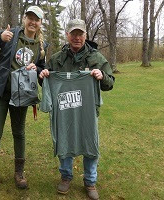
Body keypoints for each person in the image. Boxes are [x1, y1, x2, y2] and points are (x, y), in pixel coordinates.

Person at [39, 19, 115, 200]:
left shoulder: (96, 58)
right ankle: (66, 176)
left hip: (87, 112)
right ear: (67, 35)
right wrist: (43, 76)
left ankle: (90, 181)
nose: (77, 37)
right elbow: (47, 83)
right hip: (64, 112)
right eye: (73, 34)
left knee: (90, 142)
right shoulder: (57, 59)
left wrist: (101, 75)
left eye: (80, 34)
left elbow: (110, 83)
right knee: (64, 139)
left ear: (85, 36)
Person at [0, 6, 48, 191]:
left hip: (21, 96)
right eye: (30, 17)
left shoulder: (42, 46)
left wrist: (38, 71)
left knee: (19, 133)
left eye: (36, 19)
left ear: (40, 23)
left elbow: (41, 72)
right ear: (24, 19)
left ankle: (19, 172)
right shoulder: (11, 35)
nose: (33, 22)